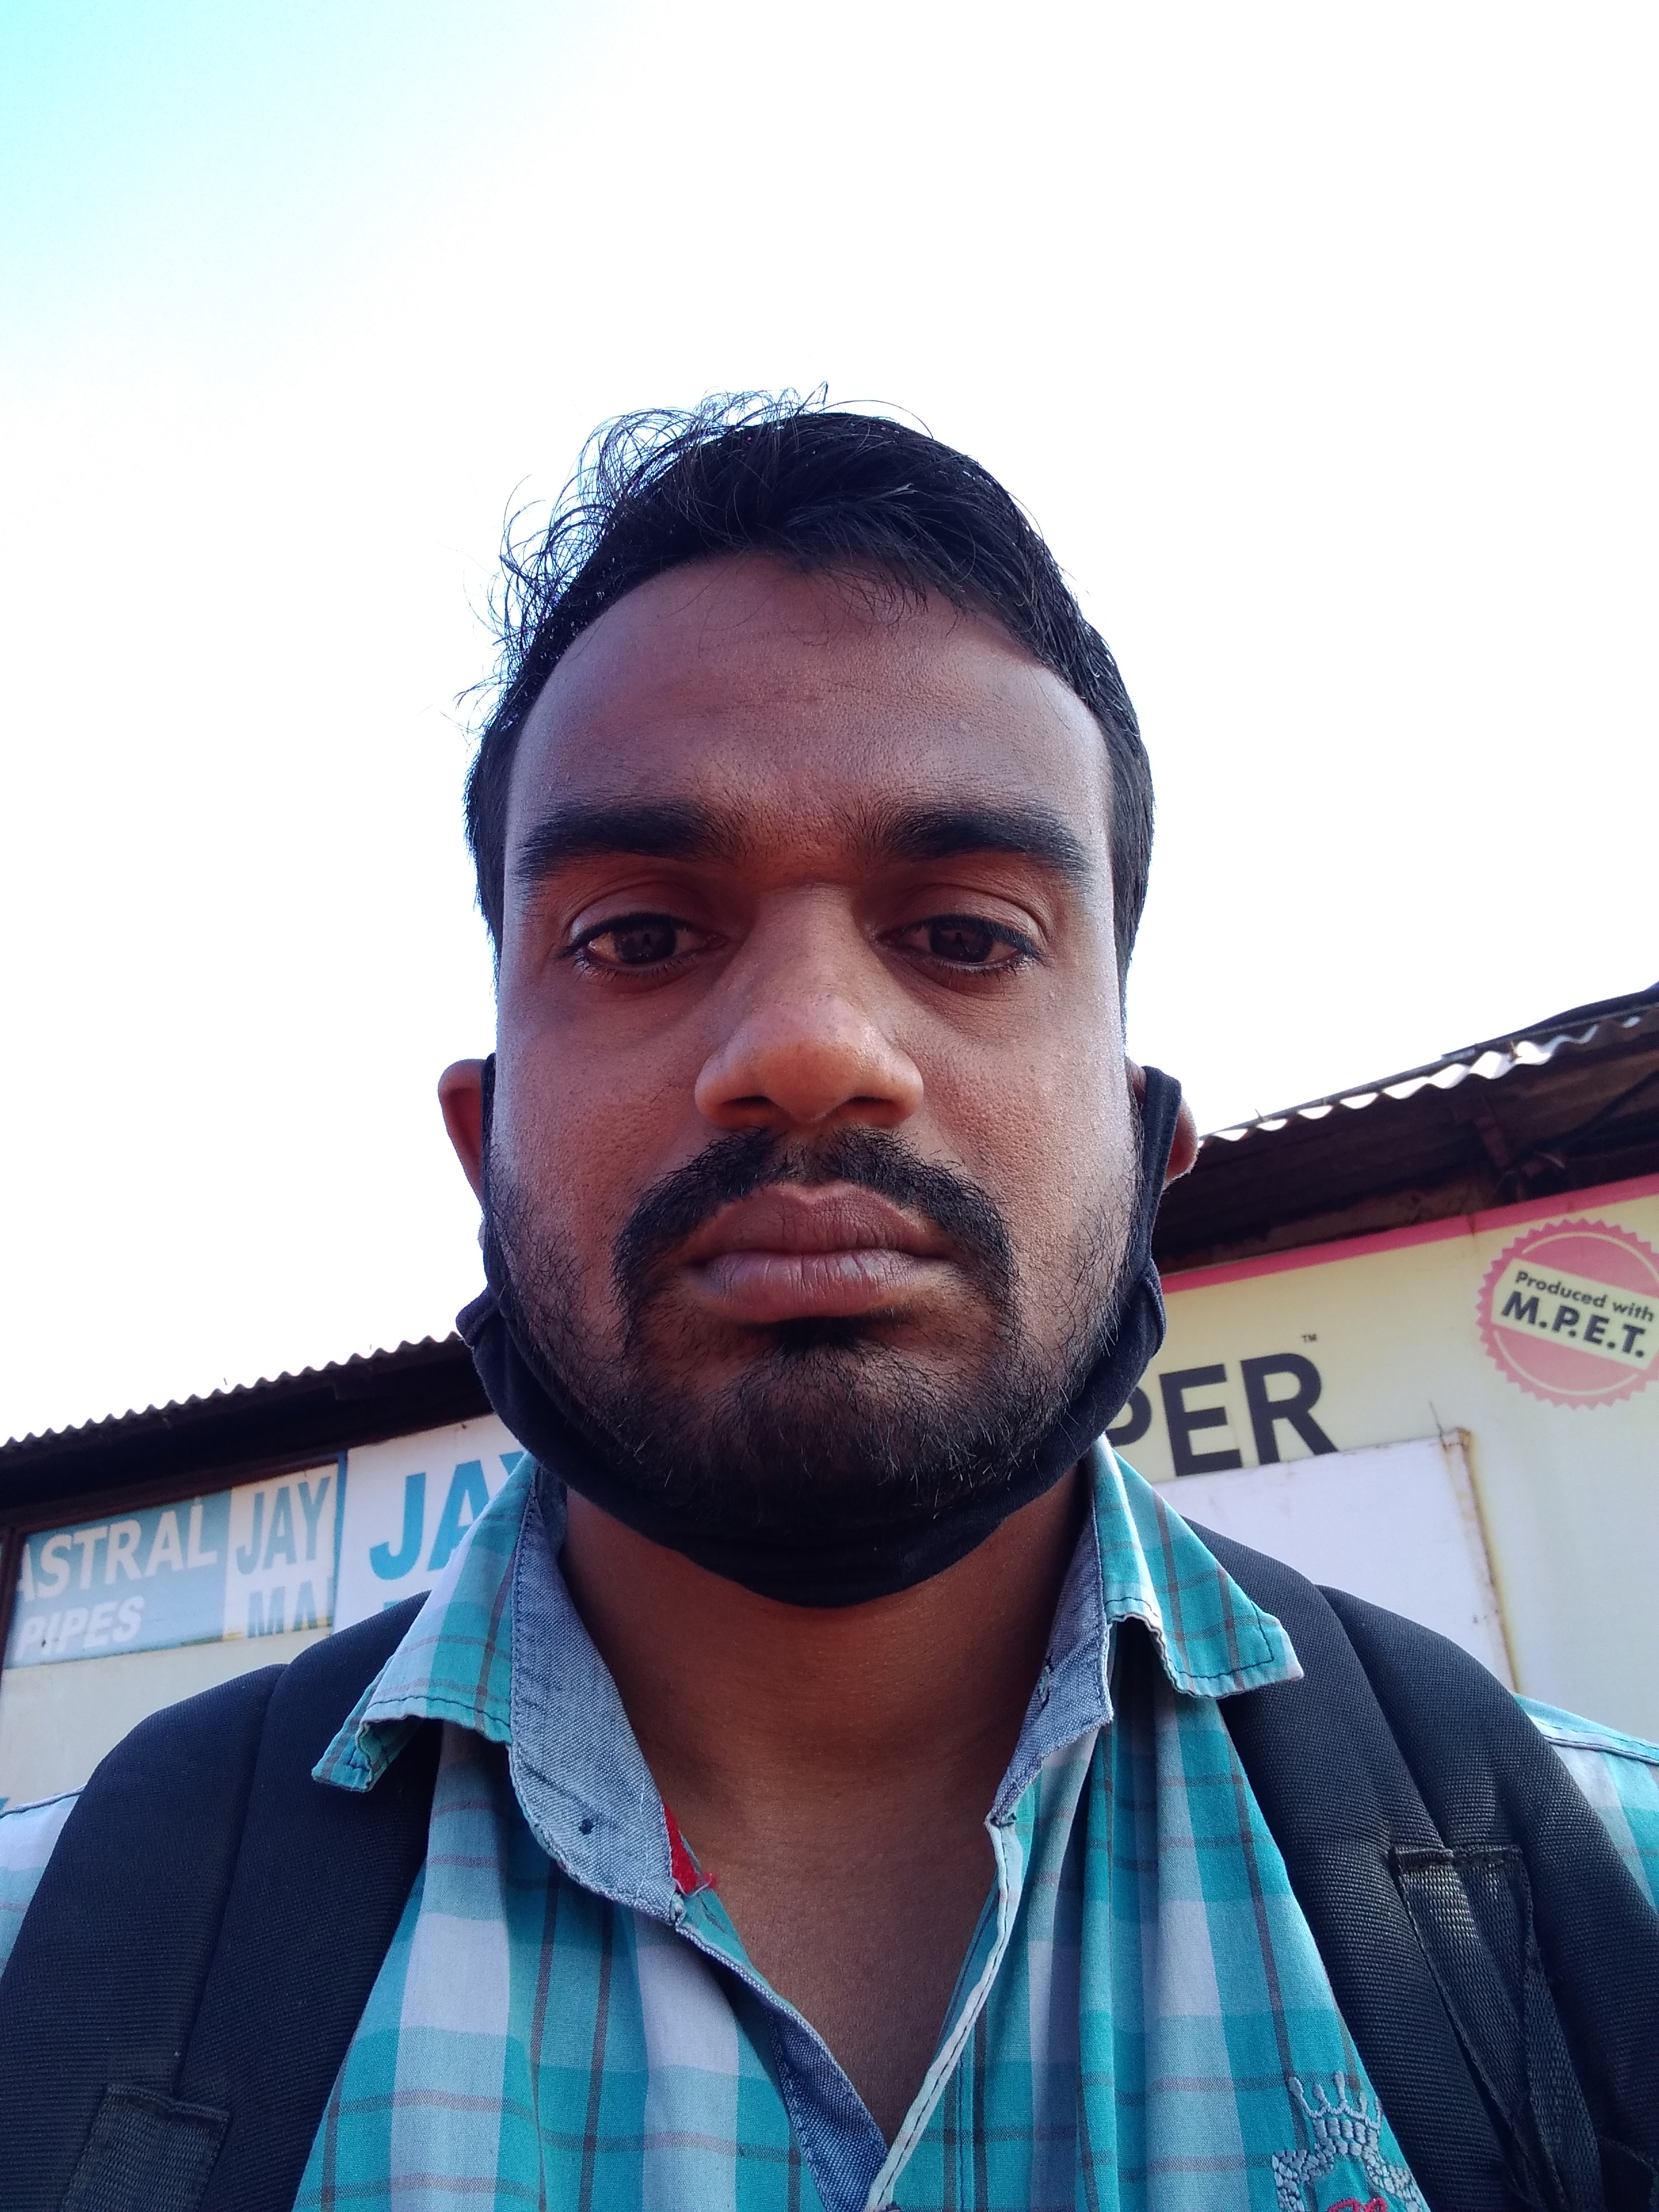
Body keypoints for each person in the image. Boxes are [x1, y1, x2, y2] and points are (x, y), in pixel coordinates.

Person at [2, 398, 1656, 2212]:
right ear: (484, 1143)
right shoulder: (49, 1962)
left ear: (1146, 1137)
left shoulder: (1609, 1904)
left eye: (967, 934)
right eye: (638, 936)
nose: (806, 1047)